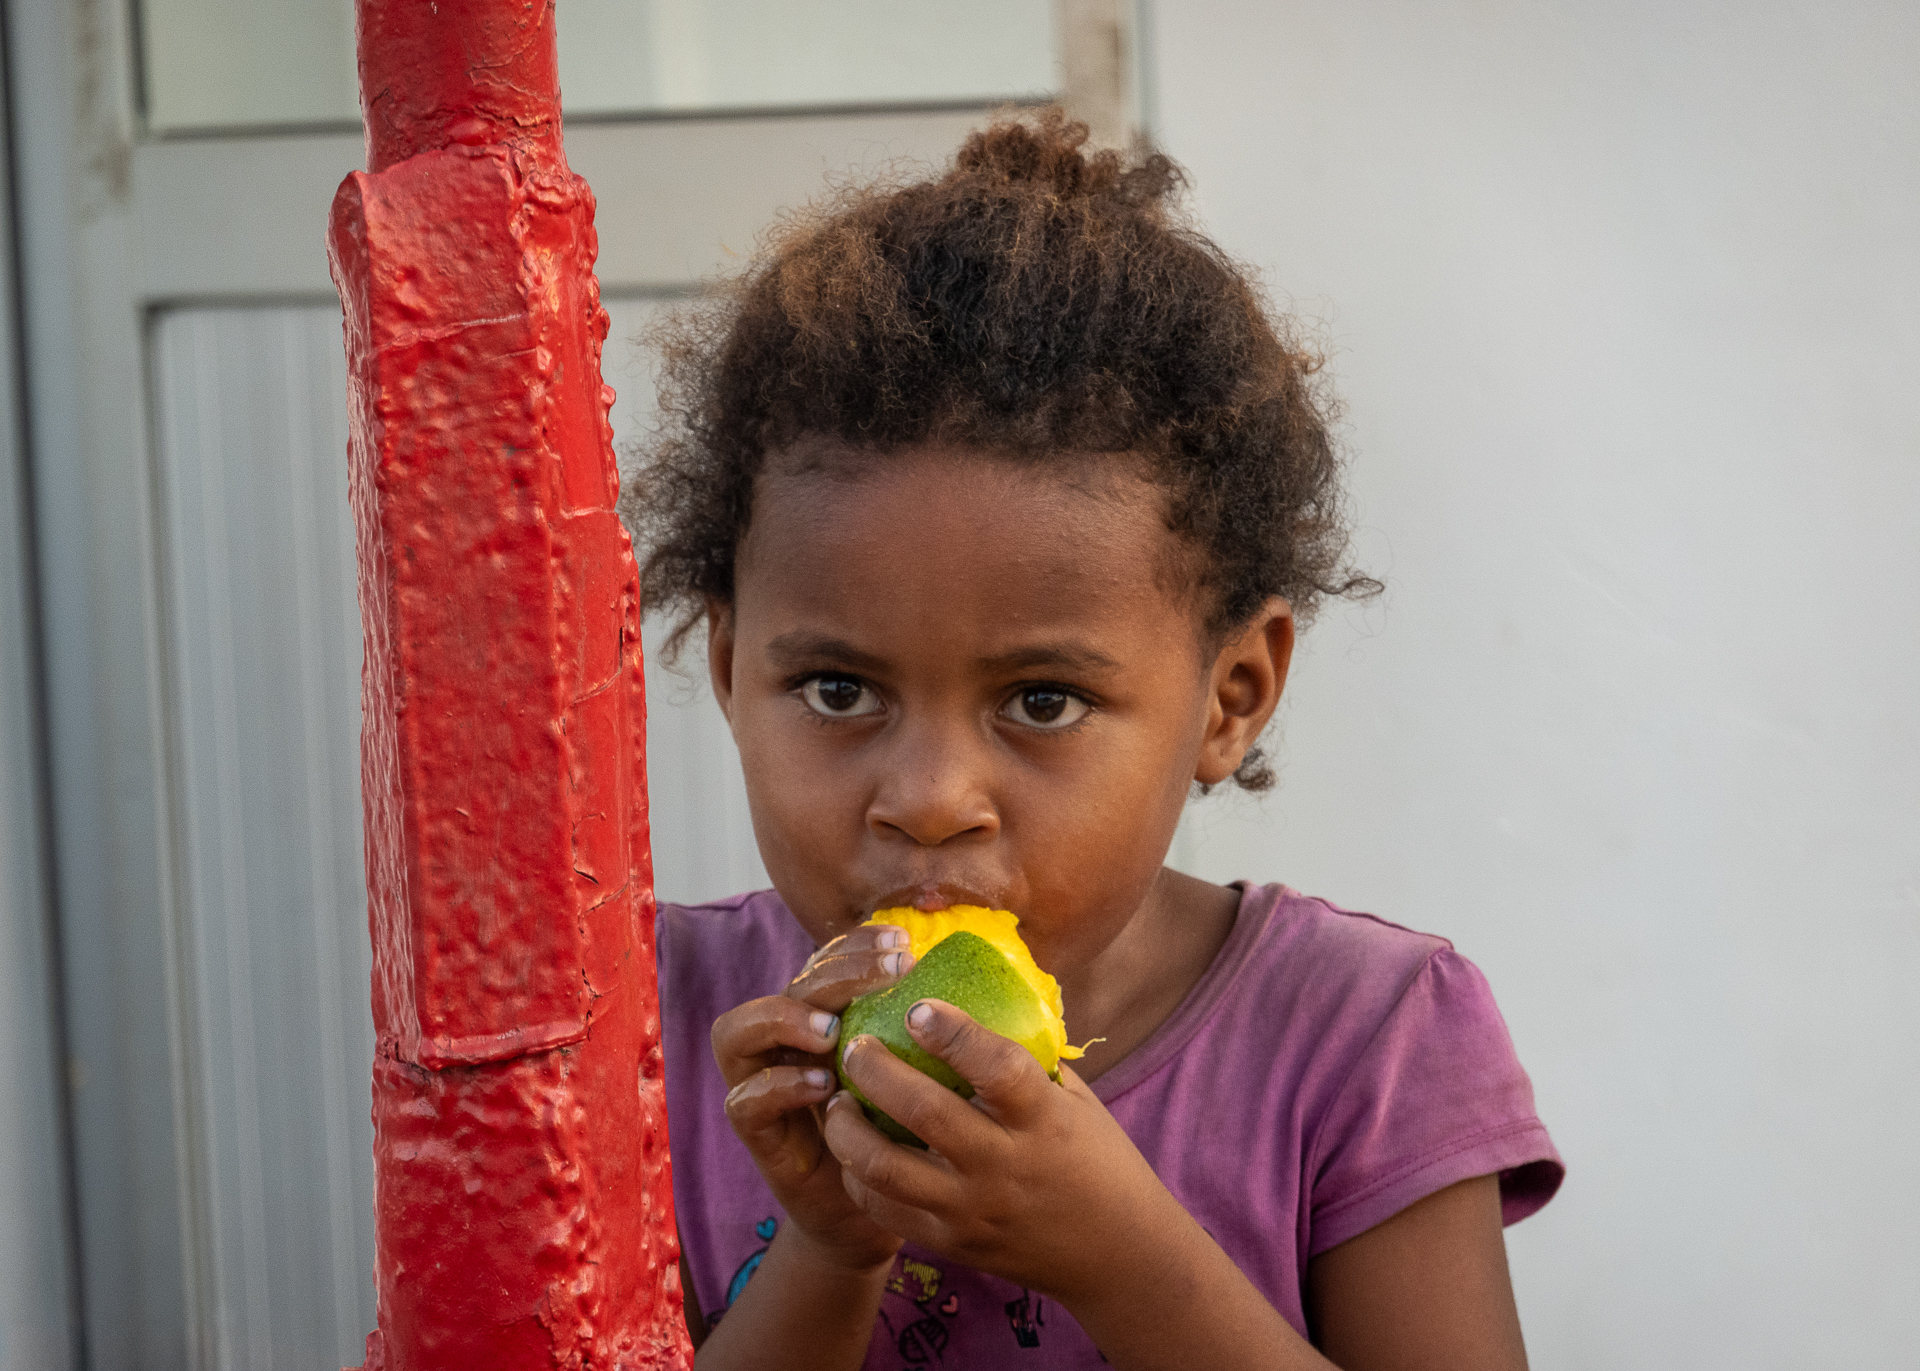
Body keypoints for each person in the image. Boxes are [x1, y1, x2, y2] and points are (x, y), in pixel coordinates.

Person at [623, 109, 1562, 1371]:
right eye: (841, 690)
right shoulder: (657, 1025)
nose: (931, 797)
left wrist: (1117, 1254)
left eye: (1043, 701)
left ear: (1229, 696)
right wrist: (831, 1250)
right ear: (732, 670)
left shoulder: (1371, 1040)